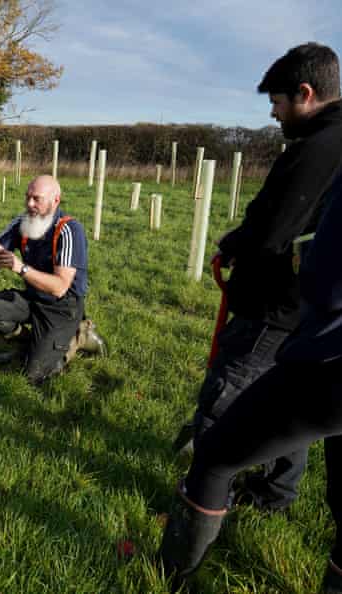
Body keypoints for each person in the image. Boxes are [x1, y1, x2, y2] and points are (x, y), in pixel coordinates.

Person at [172, 42, 342, 512]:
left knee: (226, 396)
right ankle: (272, 495)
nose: (274, 114)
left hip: (272, 304)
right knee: (288, 404)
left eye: (278, 102)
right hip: (308, 310)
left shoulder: (320, 147)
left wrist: (233, 244)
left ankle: (200, 501)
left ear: (305, 93)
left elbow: (274, 230)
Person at [159, 168, 342, 592]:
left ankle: (169, 575)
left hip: (332, 365)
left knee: (216, 455)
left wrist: (305, 258)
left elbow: (328, 283)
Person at [0, 175, 105, 385]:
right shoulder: (22, 222)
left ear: (56, 201)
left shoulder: (69, 230)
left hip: (62, 306)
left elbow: (60, 287)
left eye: (37, 199)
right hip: (33, 297)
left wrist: (20, 267)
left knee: (34, 376)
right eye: (27, 197)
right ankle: (29, 344)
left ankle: (79, 335)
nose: (29, 204)